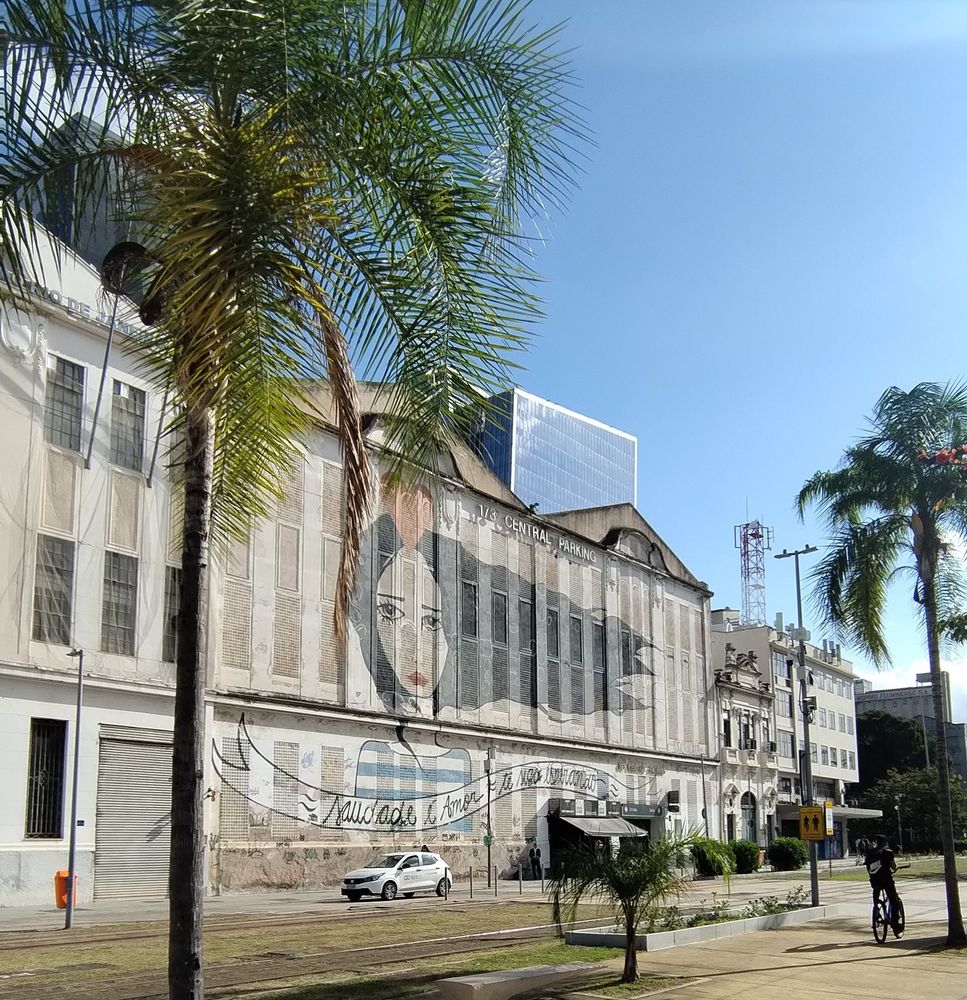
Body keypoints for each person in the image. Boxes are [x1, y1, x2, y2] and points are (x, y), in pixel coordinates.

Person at [864, 834, 901, 929]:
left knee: (876, 898)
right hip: (886, 879)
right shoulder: (887, 852)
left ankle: (876, 914)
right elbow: (893, 866)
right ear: (886, 842)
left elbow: (868, 867)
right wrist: (894, 867)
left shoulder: (870, 853)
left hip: (874, 880)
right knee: (894, 900)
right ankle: (895, 923)